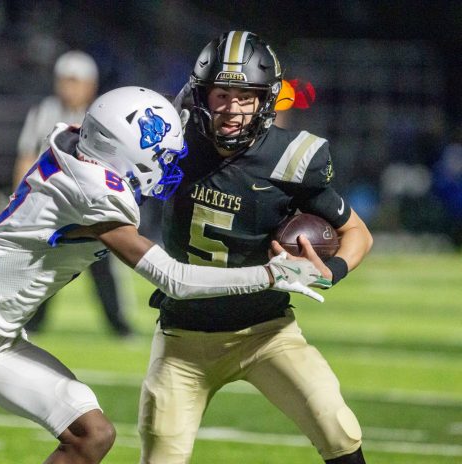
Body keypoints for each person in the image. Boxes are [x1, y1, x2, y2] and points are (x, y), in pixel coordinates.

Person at [0, 86, 330, 464]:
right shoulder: (92, 192)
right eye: (161, 156)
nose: (169, 166)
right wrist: (270, 275)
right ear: (125, 153)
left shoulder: (80, 149)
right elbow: (175, 279)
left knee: (92, 435)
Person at [138, 31, 374, 464]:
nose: (231, 109)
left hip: (266, 333)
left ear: (265, 101)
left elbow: (358, 231)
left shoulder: (289, 159)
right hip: (181, 340)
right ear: (200, 95)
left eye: (245, 97)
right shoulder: (171, 142)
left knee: (337, 427)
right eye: (221, 94)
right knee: (160, 457)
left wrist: (331, 270)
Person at [13, 49, 133, 337]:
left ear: (90, 85)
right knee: (42, 263)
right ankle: (33, 321)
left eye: (75, 81)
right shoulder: (45, 111)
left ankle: (118, 323)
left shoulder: (103, 115)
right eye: (65, 80)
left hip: (92, 203)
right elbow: (26, 156)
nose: (70, 87)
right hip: (52, 202)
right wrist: (20, 196)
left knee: (102, 264)